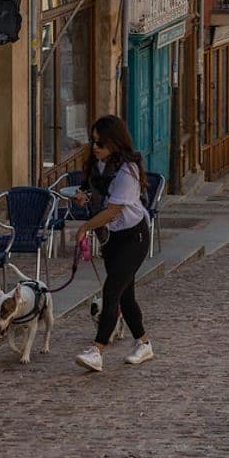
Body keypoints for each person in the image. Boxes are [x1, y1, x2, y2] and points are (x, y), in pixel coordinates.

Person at [71, 115, 154, 372]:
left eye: (101, 143)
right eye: (93, 141)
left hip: (134, 237)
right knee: (125, 295)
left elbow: (112, 211)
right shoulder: (97, 165)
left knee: (111, 291)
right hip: (112, 239)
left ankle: (97, 350)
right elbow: (95, 194)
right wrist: (83, 196)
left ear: (115, 143)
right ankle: (144, 344)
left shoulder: (127, 171)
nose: (96, 147)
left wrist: (85, 227)